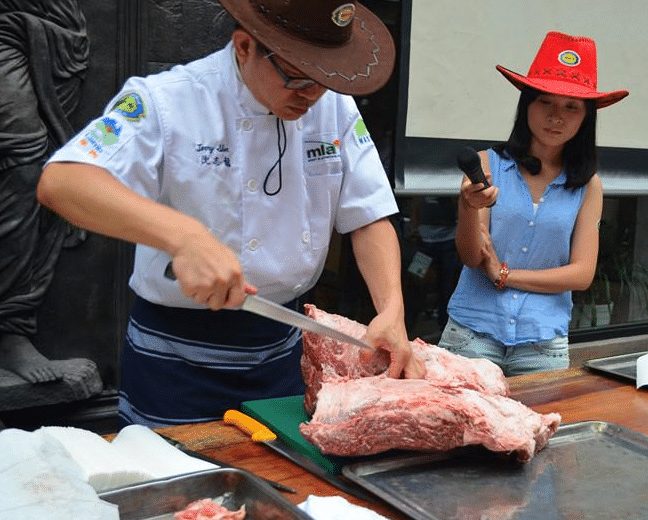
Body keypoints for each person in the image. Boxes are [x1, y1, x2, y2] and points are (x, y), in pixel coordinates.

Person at [36, 0, 425, 428]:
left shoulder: (333, 106)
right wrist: (185, 236)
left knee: (283, 467)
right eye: (297, 78)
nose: (311, 96)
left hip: (283, 349)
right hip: (175, 357)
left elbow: (368, 214)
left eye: (323, 81)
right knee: (172, 471)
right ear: (244, 47)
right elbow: (64, 181)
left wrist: (391, 308)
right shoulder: (168, 100)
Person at [438, 31, 628, 376]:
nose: (556, 116)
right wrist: (468, 206)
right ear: (526, 104)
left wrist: (505, 275)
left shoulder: (589, 185)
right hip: (472, 333)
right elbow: (472, 256)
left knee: (541, 416)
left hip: (543, 342)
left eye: (571, 107)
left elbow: (582, 273)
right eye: (545, 101)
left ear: (586, 117)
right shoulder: (486, 164)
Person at [0, 0, 89, 384]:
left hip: (60, 31)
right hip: (9, 28)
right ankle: (10, 329)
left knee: (51, 165)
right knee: (26, 165)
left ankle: (12, 331)